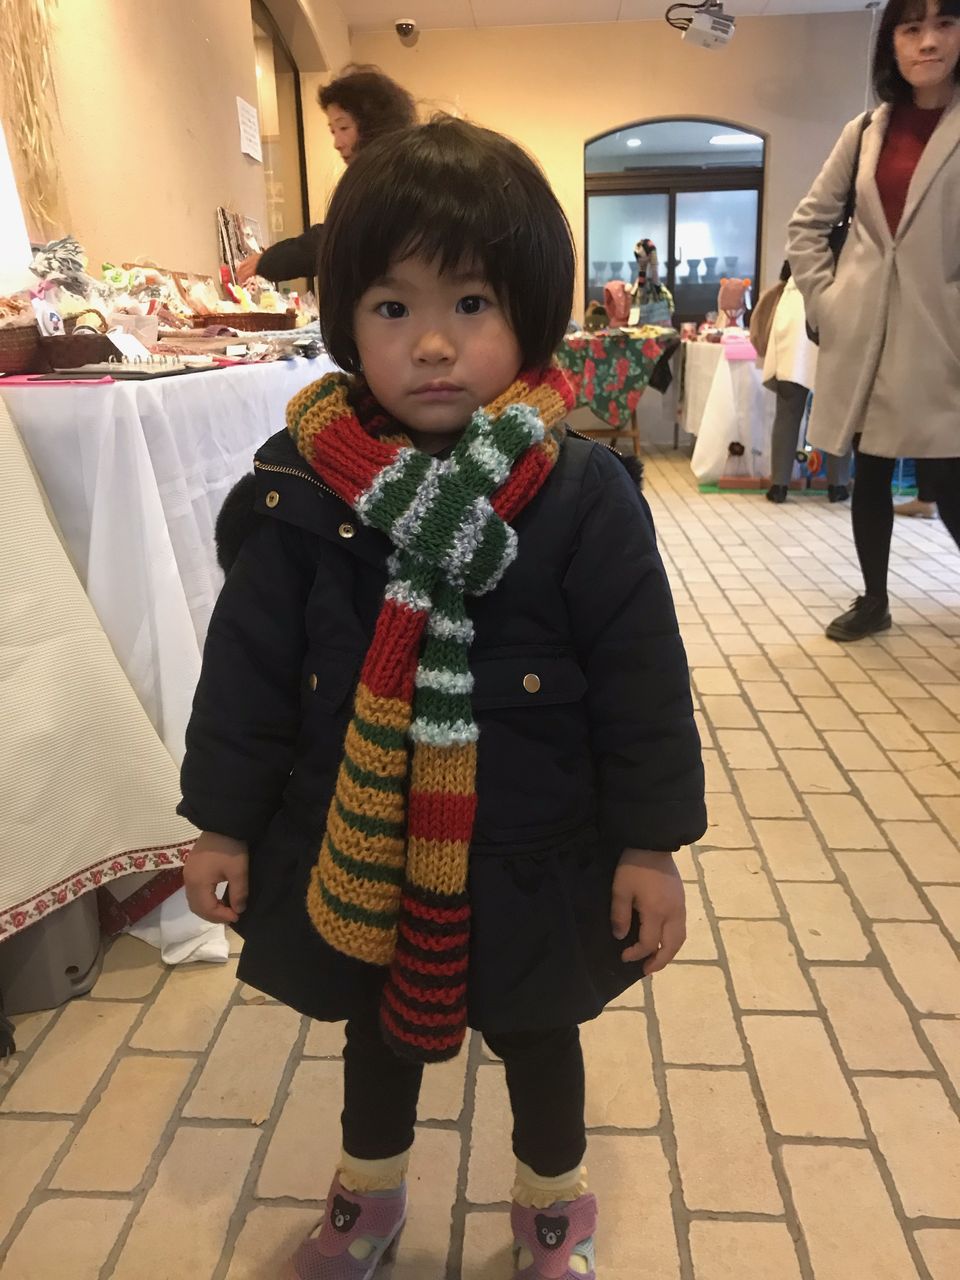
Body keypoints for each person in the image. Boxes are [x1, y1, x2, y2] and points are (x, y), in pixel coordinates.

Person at [179, 118, 706, 1279]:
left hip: (535, 847)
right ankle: (366, 1196)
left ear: (528, 310)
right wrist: (221, 820)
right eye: (391, 306)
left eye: (470, 303)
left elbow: (642, 682)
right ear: (345, 320)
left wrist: (650, 844)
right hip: (360, 840)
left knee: (539, 1033)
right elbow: (247, 672)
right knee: (376, 1033)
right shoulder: (301, 489)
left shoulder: (582, 493)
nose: (430, 343)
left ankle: (552, 1208)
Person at [787, 0, 960, 642]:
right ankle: (874, 599)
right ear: (892, 43)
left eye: (944, 23)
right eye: (911, 28)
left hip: (941, 331)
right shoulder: (866, 130)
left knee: (948, 472)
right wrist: (827, 301)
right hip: (867, 331)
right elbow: (807, 224)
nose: (928, 41)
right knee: (873, 468)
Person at [236, 64, 416, 284]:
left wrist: (269, 261)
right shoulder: (393, 173)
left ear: (373, 125)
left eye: (344, 128)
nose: (337, 143)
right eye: (333, 131)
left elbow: (336, 240)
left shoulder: (390, 180)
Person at [756, 260, 852, 505]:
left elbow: (784, 272)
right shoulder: (846, 253)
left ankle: (779, 485)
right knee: (836, 412)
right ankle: (838, 485)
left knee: (788, 411)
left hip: (793, 316)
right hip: (835, 310)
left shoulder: (800, 253)